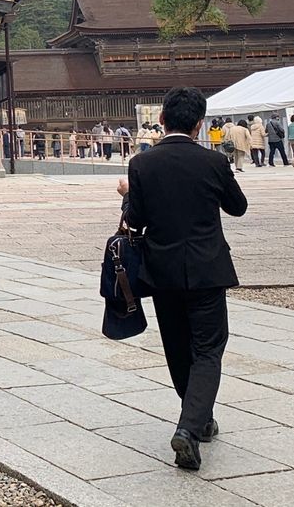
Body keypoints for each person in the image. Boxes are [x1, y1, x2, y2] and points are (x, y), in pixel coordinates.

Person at [122, 86, 247, 472]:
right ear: (198, 123)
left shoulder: (142, 164)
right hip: (208, 269)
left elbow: (135, 220)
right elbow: (238, 207)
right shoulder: (213, 162)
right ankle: (191, 427)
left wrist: (127, 195)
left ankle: (197, 421)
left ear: (161, 120)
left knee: (178, 348)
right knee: (208, 349)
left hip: (163, 271)